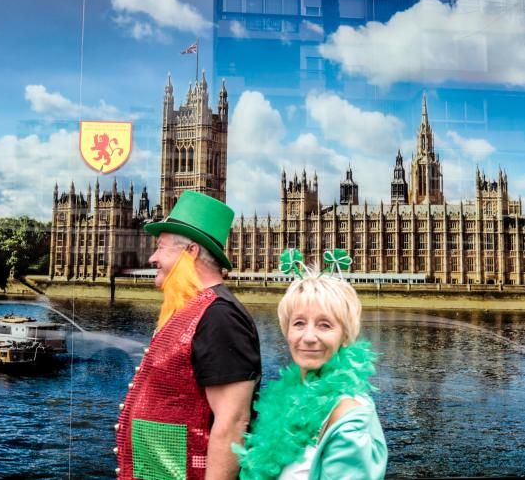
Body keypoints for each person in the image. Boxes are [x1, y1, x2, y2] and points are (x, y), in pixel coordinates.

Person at [116, 190, 261, 480]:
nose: (152, 257)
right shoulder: (192, 309)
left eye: (161, 247)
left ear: (191, 251)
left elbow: (232, 424)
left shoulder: (220, 317)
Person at [235, 257, 387, 480]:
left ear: (345, 335)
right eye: (298, 323)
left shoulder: (349, 422)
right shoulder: (284, 399)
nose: (308, 337)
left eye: (324, 325)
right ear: (286, 331)